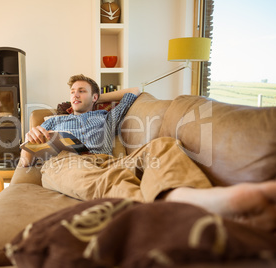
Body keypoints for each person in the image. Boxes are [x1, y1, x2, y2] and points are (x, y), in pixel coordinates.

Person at [18, 74, 276, 233]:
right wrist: (29, 142)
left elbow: (134, 92)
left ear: (95, 96)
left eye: (81, 90)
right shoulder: (53, 121)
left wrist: (101, 99)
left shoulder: (106, 115)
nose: (75, 94)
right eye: (72, 91)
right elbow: (28, 158)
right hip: (65, 162)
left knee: (163, 145)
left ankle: (191, 197)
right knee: (109, 180)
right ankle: (194, 211)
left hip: (108, 160)